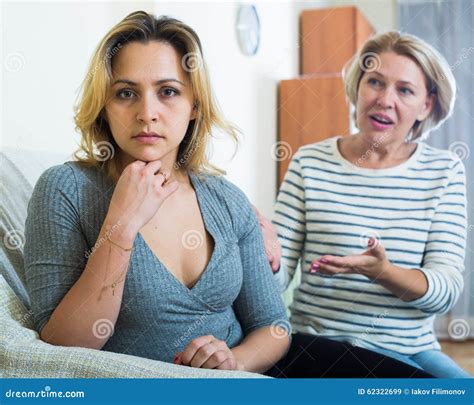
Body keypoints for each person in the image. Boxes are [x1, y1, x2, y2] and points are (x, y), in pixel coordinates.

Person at [24, 12, 430, 378]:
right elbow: (64, 348)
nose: (147, 112)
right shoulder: (65, 189)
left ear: (194, 105)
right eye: (126, 92)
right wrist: (121, 226)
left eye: (168, 91)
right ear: (104, 105)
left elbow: (274, 327)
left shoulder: (226, 199)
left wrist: (233, 363)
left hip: (251, 375)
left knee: (425, 389)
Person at [261, 31, 471, 378]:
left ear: (426, 105)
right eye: (375, 82)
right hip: (319, 343)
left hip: (410, 348)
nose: (384, 100)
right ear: (358, 87)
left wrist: (383, 272)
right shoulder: (309, 163)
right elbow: (277, 276)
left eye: (404, 90)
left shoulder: (444, 171)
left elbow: (445, 290)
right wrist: (264, 255)